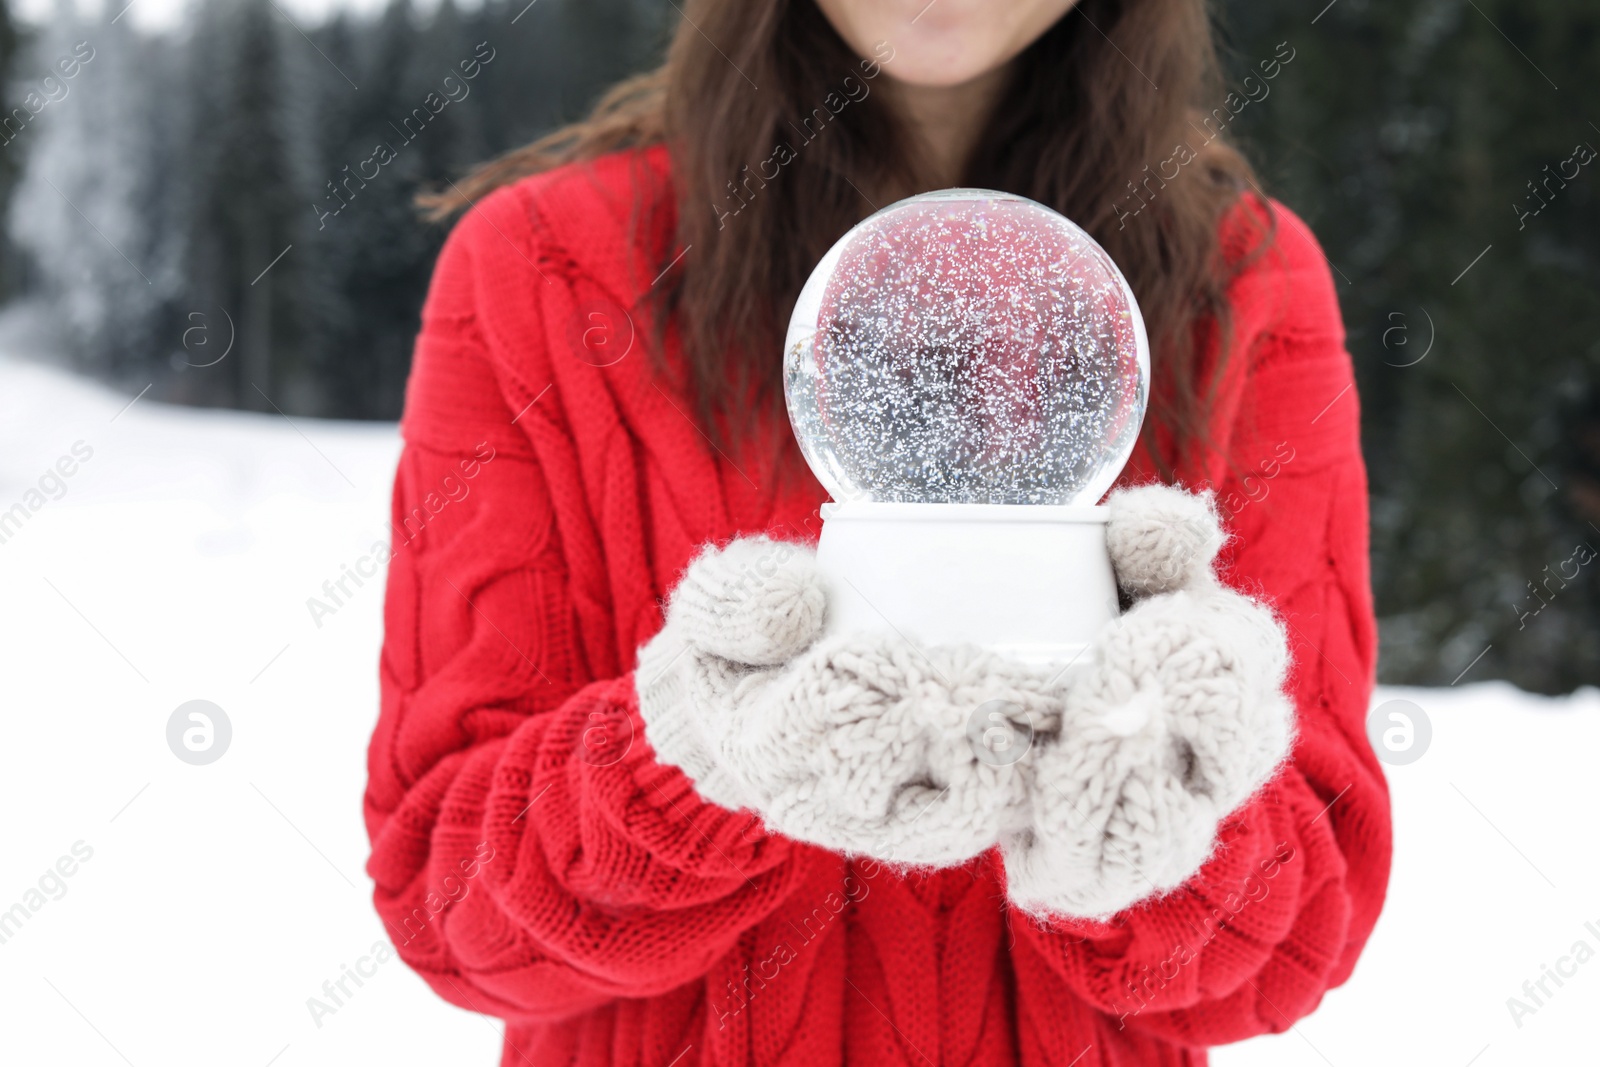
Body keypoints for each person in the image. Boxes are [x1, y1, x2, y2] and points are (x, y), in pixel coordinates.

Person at [363, 1, 1392, 1064]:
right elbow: (445, 908)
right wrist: (689, 754)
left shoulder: (1244, 280)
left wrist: (1157, 818)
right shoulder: (538, 268)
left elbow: (1302, 935)